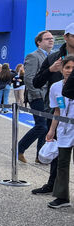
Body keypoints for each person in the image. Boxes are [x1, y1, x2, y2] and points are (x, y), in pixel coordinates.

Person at [32, 23, 74, 194]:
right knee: (59, 151)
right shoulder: (53, 58)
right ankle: (53, 185)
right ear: (66, 37)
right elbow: (36, 82)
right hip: (59, 110)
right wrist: (50, 70)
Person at [18, 30, 54, 165]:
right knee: (42, 126)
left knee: (48, 126)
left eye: (52, 38)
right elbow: (28, 79)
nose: (51, 40)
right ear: (39, 42)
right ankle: (19, 148)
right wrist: (37, 95)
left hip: (50, 98)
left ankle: (40, 156)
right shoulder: (33, 56)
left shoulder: (53, 56)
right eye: (47, 39)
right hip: (37, 96)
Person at [45, 56, 74, 208]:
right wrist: (51, 131)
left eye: (73, 68)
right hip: (64, 129)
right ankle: (62, 197)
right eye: (67, 67)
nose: (70, 71)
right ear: (62, 69)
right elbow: (57, 110)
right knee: (62, 163)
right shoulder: (55, 87)